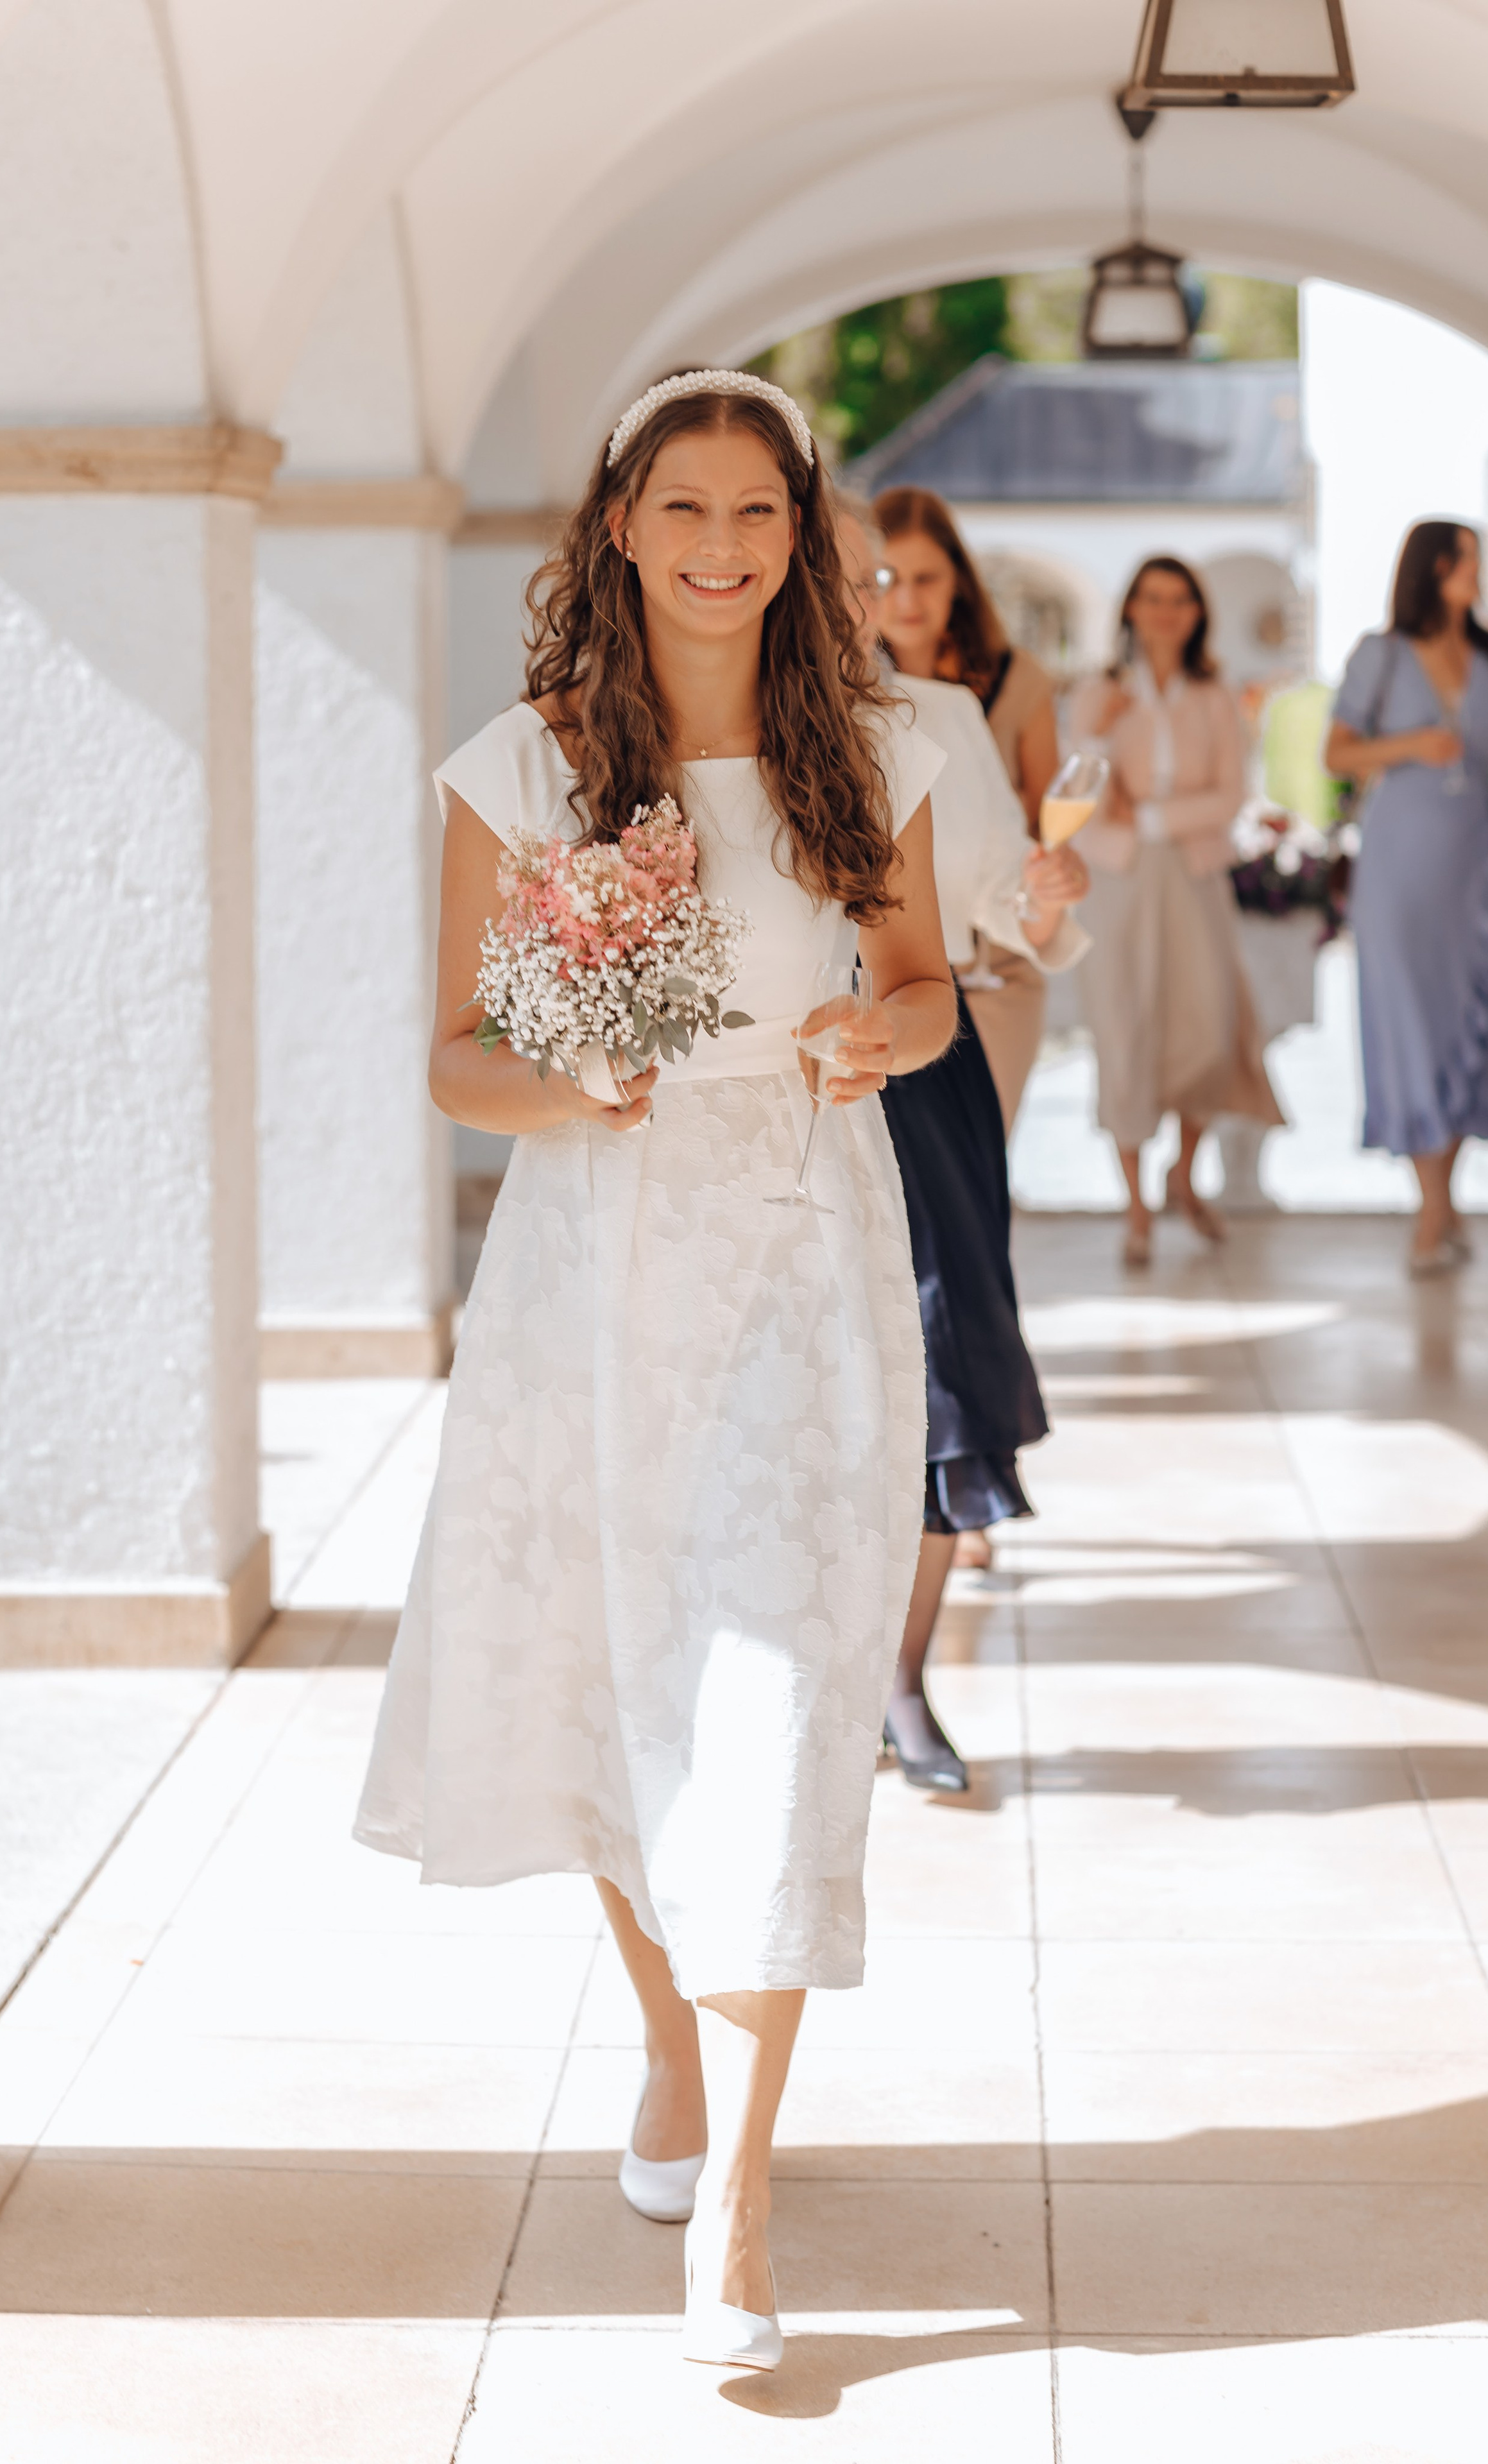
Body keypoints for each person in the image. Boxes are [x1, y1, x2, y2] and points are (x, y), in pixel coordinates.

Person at [354, 371, 957, 2375]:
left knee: (783, 1690)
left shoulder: (870, 748)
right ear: (618, 521)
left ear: (800, 536)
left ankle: (743, 2191)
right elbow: (451, 1056)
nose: (719, 545)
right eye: (681, 507)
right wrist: (571, 1077)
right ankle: (667, 2040)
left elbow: (926, 985)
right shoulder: (516, 771)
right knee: (616, 1679)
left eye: (757, 513)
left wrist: (890, 1028)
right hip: (589, 1273)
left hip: (797, 1250)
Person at [835, 500, 1088, 1790]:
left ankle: (899, 1679)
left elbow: (1001, 903)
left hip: (928, 1081)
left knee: (939, 1366)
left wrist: (1038, 902)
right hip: (769, 1098)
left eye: (860, 577)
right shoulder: (685, 719)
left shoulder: (937, 721)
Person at [1326, 522, 1488, 1274]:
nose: (1476, 573)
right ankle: (1431, 1209)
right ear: (1434, 568)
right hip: (1397, 864)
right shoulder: (1378, 657)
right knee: (1410, 1019)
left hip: (1475, 863)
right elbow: (1338, 753)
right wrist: (1411, 746)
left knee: (1468, 1021)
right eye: (1466, 560)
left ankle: (1442, 1202)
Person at [1073, 554, 1282, 1267]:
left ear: (1196, 613)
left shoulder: (1216, 696)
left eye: (1179, 600)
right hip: (1119, 881)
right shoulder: (1097, 693)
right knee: (1124, 1028)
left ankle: (1183, 1177)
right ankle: (1135, 1209)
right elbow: (1077, 795)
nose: (1165, 612)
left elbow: (1231, 795)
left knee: (1207, 1026)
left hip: (1192, 879)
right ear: (1130, 607)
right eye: (1152, 598)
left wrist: (1154, 817)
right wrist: (1100, 736)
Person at [873, 485, 1063, 1131]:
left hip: (994, 953)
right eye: (885, 578)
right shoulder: (836, 696)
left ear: (958, 579)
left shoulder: (1010, 683)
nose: (906, 598)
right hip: (889, 975)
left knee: (977, 1161)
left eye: (926, 578)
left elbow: (1044, 820)